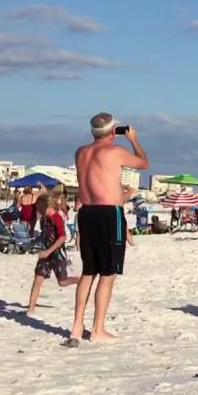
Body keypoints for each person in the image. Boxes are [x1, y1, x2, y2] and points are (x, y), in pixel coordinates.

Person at [66, 113, 150, 347]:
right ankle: (98, 329)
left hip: (87, 212)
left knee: (88, 272)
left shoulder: (80, 152)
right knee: (108, 273)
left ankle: (76, 327)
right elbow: (143, 163)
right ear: (114, 131)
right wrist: (133, 139)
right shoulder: (115, 152)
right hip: (108, 213)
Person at [27, 194, 78, 314]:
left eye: (39, 207)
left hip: (57, 254)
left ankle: (79, 280)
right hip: (45, 255)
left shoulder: (57, 218)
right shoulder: (43, 219)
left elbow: (62, 237)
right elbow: (44, 234)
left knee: (62, 282)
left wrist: (48, 251)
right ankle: (30, 309)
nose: (37, 210)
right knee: (37, 280)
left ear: (46, 206)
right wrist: (34, 241)